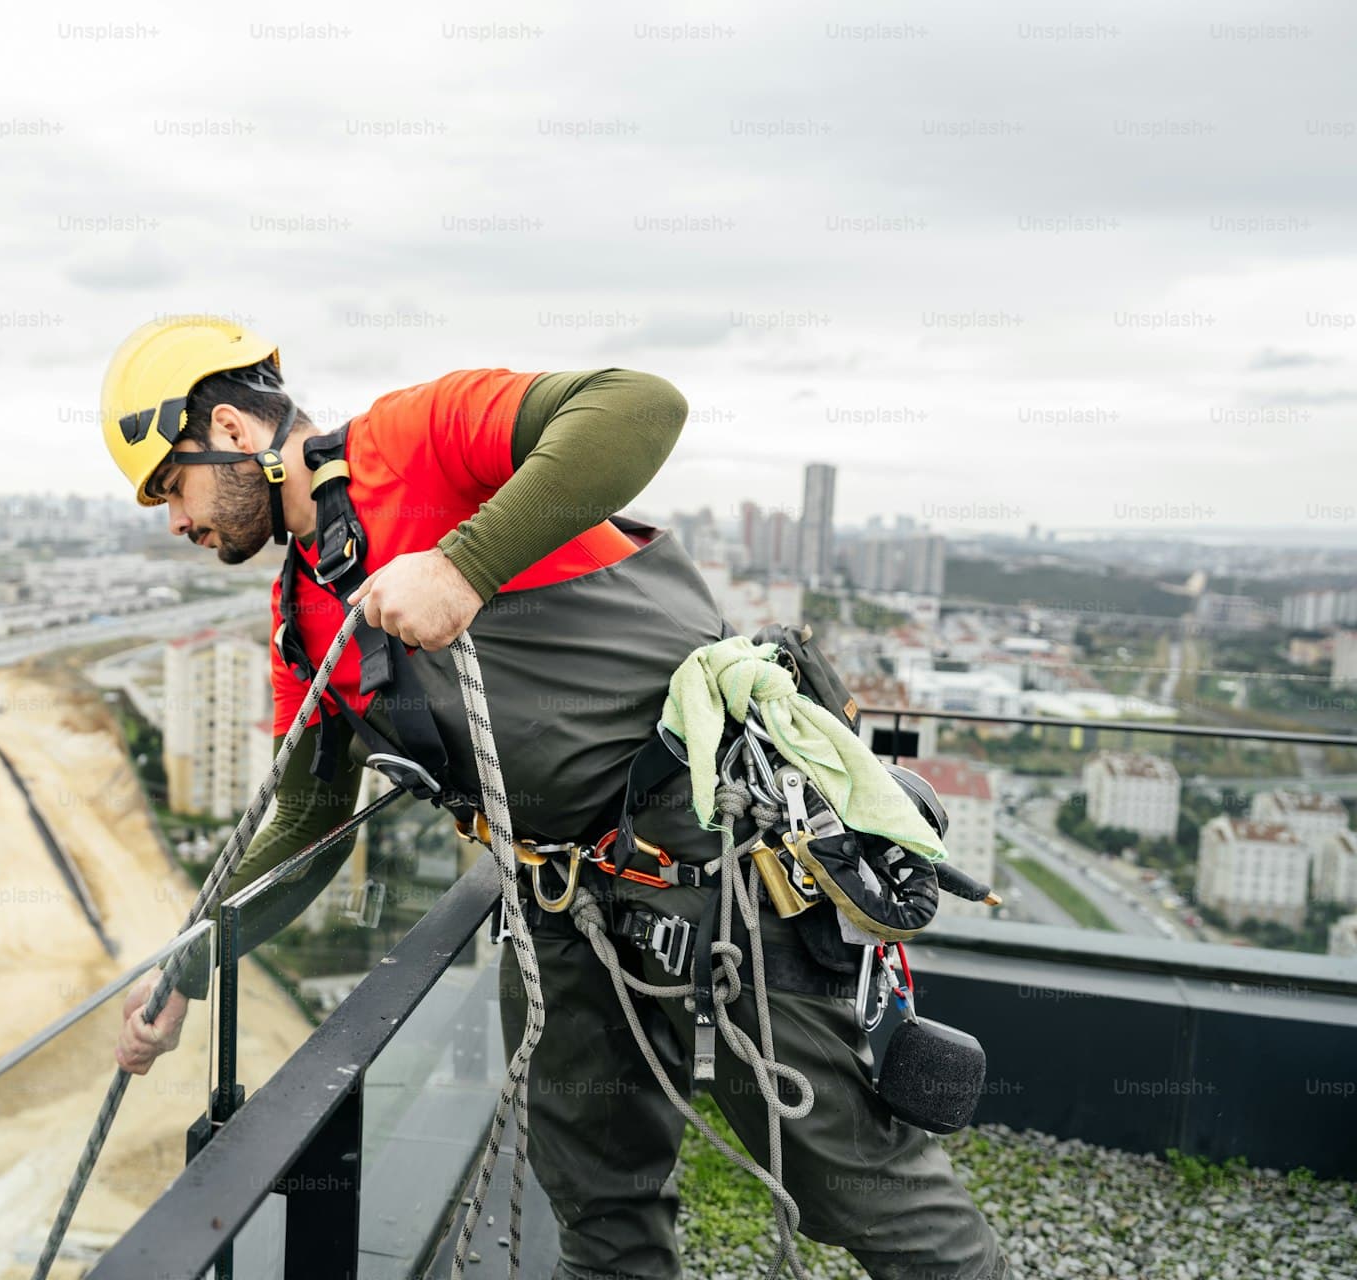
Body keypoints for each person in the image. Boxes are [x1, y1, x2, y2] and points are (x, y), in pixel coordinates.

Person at [102, 316, 1011, 1280]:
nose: (176, 521)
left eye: (172, 485)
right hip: (560, 912)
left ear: (236, 432)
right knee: (600, 1212)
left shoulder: (412, 439)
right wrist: (187, 970)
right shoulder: (302, 622)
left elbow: (639, 407)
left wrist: (464, 565)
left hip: (729, 870)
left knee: (860, 1190)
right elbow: (303, 824)